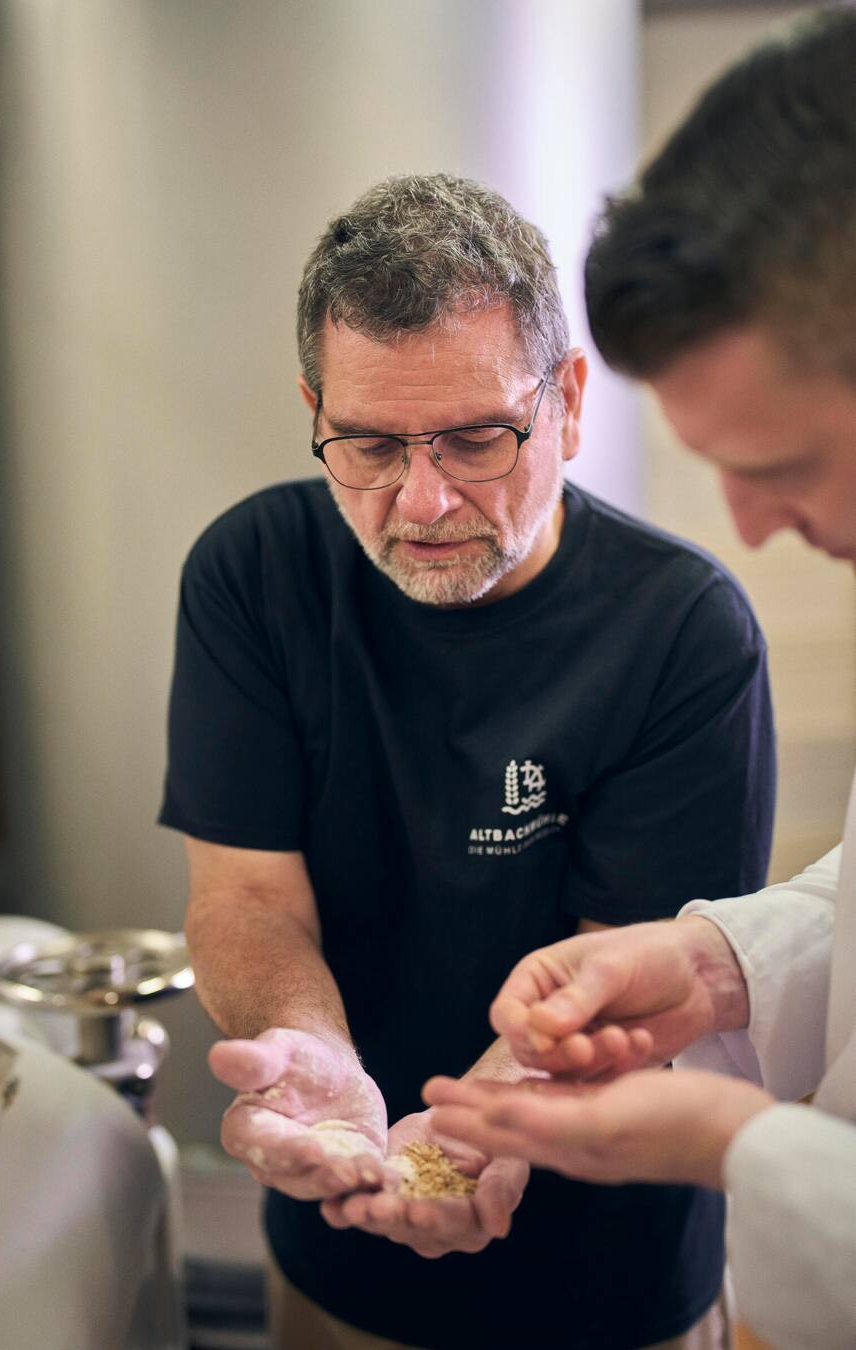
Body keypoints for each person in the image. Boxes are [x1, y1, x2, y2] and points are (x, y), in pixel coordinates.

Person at [160, 173, 776, 1350]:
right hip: (336, 1232)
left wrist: (483, 1117)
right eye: (371, 446)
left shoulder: (684, 631)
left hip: (613, 1278)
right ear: (315, 409)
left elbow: (632, 974)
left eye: (477, 438)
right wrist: (310, 1055)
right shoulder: (254, 575)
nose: (424, 498)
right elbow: (244, 896)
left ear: (571, 403)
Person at [424, 10, 856, 1349]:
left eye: (783, 463)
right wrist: (717, 961)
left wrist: (741, 1145)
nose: (746, 523)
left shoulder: (679, 625)